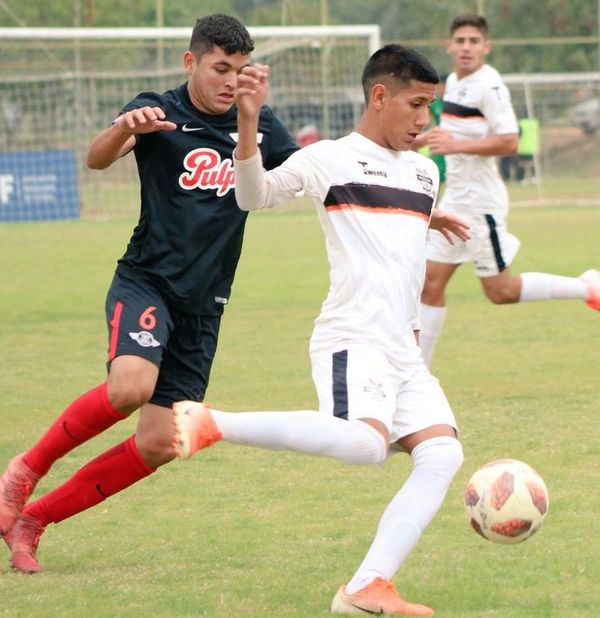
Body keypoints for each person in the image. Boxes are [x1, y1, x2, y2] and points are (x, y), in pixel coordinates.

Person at [171, 44, 470, 616]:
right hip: (352, 337)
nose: (422, 120)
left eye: (430, 107)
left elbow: (396, 225)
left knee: (442, 455)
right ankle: (211, 422)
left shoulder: (427, 173)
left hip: (403, 349)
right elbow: (251, 196)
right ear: (379, 96)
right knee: (365, 444)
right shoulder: (329, 159)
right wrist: (249, 125)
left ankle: (367, 588)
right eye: (415, 104)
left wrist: (433, 213)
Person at [0, 14, 298, 573]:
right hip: (148, 281)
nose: (230, 81)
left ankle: (34, 521)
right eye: (219, 68)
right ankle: (23, 471)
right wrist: (124, 129)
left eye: (239, 70)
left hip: (206, 304)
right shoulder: (156, 109)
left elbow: (314, 174)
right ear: (191, 63)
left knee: (162, 442)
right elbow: (96, 158)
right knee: (132, 385)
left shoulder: (258, 126)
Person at [414, 14, 600, 367]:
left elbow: (510, 141)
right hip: (455, 199)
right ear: (449, 46)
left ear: (486, 46)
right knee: (429, 286)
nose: (466, 47)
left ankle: (588, 287)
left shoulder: (491, 86)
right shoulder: (452, 81)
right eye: (460, 41)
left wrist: (456, 147)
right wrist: (422, 140)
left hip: (481, 204)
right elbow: (453, 134)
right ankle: (417, 376)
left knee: (500, 291)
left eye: (474, 41)